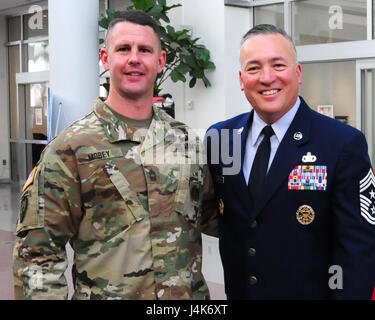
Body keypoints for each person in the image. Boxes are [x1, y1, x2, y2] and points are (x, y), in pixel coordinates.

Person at [13, 10, 217, 300]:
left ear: (160, 61)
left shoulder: (187, 143)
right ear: (106, 58)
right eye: (123, 49)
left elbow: (216, 218)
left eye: (144, 50)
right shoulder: (70, 148)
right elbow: (37, 253)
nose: (134, 58)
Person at [205, 24, 375, 299]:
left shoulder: (342, 143)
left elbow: (359, 250)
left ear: (298, 73)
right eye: (253, 68)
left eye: (278, 65)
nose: (267, 77)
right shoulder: (220, 138)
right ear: (240, 79)